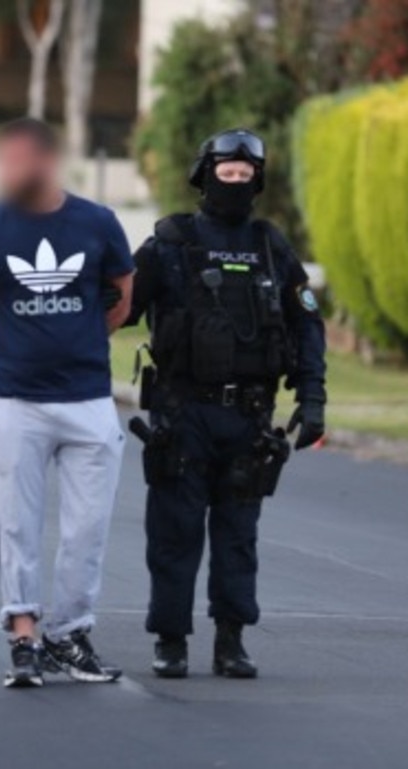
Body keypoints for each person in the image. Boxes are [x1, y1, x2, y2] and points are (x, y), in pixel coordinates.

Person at [126, 128, 327, 680]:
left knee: (239, 535)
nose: (234, 183)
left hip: (250, 417)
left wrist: (313, 400)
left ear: (257, 182)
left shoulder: (271, 247)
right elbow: (117, 308)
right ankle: (170, 640)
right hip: (182, 412)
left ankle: (231, 640)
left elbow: (307, 325)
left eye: (244, 175)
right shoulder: (169, 242)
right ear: (203, 175)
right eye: (225, 172)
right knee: (175, 531)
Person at [0, 118, 134, 688]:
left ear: (49, 161)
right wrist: (15, 358)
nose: (10, 171)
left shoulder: (97, 223)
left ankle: (69, 633)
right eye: (3, 161)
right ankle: (25, 636)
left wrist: (73, 345)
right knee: (19, 526)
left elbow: (121, 302)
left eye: (20, 160)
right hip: (16, 403)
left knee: (88, 527)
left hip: (89, 402)